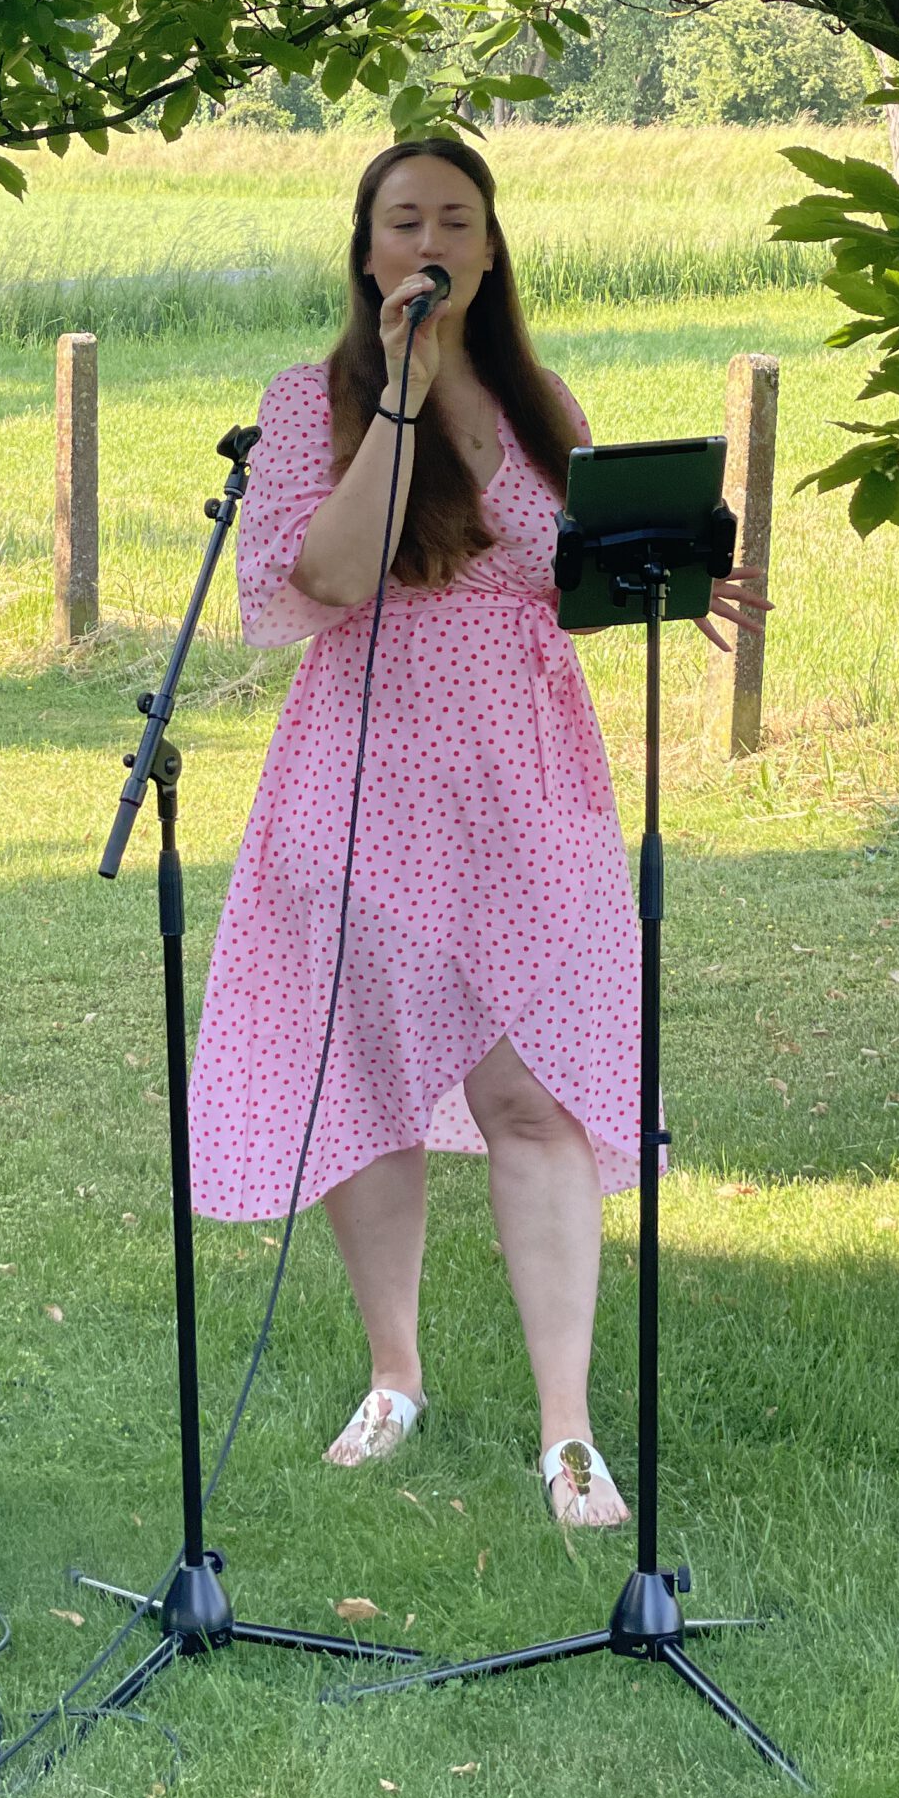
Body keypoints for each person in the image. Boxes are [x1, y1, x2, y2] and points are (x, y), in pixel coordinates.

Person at [185, 140, 770, 1528]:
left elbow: (563, 574)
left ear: (493, 248)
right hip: (362, 778)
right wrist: (396, 394)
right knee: (371, 1081)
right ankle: (396, 1377)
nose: (433, 237)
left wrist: (664, 580)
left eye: (459, 218)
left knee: (536, 1093)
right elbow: (326, 577)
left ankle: (567, 1432)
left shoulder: (535, 399)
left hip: (528, 786)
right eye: (406, 220)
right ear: (368, 250)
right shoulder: (306, 404)